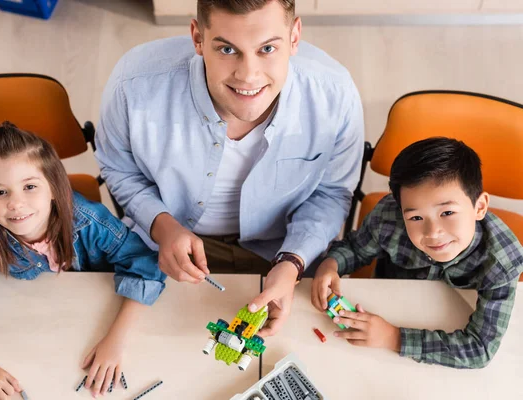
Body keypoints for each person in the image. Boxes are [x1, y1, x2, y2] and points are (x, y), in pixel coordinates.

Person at [95, 0, 364, 336]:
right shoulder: (133, 84)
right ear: (197, 37)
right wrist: (162, 226)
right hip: (163, 246)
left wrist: (293, 261)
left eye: (267, 48)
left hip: (286, 249)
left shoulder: (335, 95)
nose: (248, 75)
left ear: (295, 36)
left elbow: (332, 192)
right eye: (226, 49)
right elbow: (118, 169)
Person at [0, 122, 166, 399]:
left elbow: (145, 266)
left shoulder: (89, 221)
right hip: (26, 325)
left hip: (93, 316)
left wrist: (116, 340)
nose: (15, 203)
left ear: (53, 187)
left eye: (29, 186)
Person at [311, 137, 523, 369]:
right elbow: (355, 249)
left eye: (448, 212)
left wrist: (393, 337)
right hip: (389, 305)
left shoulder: (504, 261)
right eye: (416, 218)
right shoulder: (389, 218)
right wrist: (330, 264)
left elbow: (479, 348)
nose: (433, 232)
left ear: (479, 207)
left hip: (438, 323)